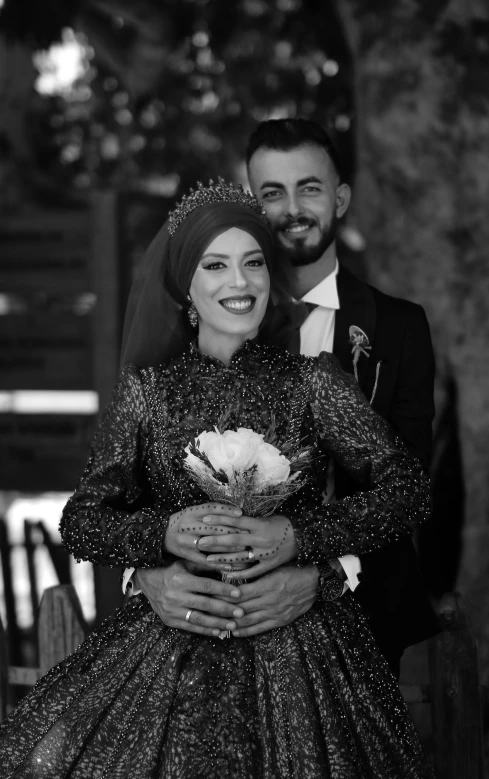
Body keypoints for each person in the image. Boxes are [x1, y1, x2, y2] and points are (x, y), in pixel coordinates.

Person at [0, 182, 434, 778]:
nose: (241, 282)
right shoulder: (146, 395)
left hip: (300, 645)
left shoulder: (313, 383)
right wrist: (163, 539)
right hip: (172, 644)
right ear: (186, 287)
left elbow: (407, 490)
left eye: (254, 262)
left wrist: (299, 537)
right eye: (217, 265)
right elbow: (82, 518)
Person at [132, 119, 440, 677]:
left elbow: (409, 478)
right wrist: (148, 575)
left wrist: (324, 572)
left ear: (341, 198)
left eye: (310, 188)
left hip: (365, 617)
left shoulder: (399, 328)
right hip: (211, 631)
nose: (292, 208)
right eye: (272, 192)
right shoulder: (210, 324)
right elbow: (138, 482)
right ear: (252, 205)